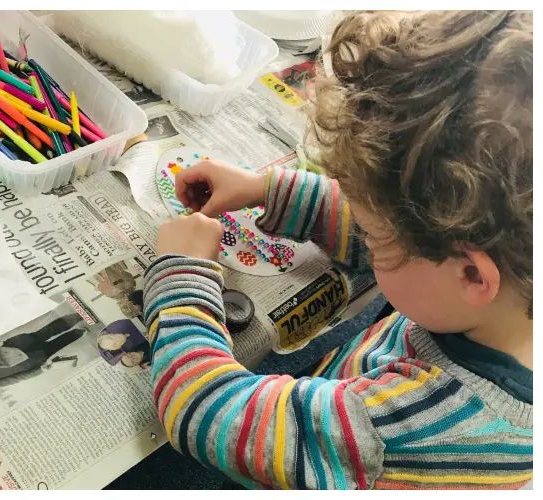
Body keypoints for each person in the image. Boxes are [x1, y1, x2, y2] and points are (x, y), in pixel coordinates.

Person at [147, 11, 531, 489]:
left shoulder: (401, 428)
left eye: (372, 235)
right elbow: (407, 240)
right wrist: (266, 190)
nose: (365, 237)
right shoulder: (503, 285)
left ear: (473, 276)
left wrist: (182, 274)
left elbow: (206, 411)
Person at [0, 315, 85, 389]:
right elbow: (16, 378)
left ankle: (78, 315)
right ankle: (81, 330)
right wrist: (40, 371)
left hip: (18, 344)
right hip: (30, 360)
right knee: (58, 344)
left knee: (49, 330)